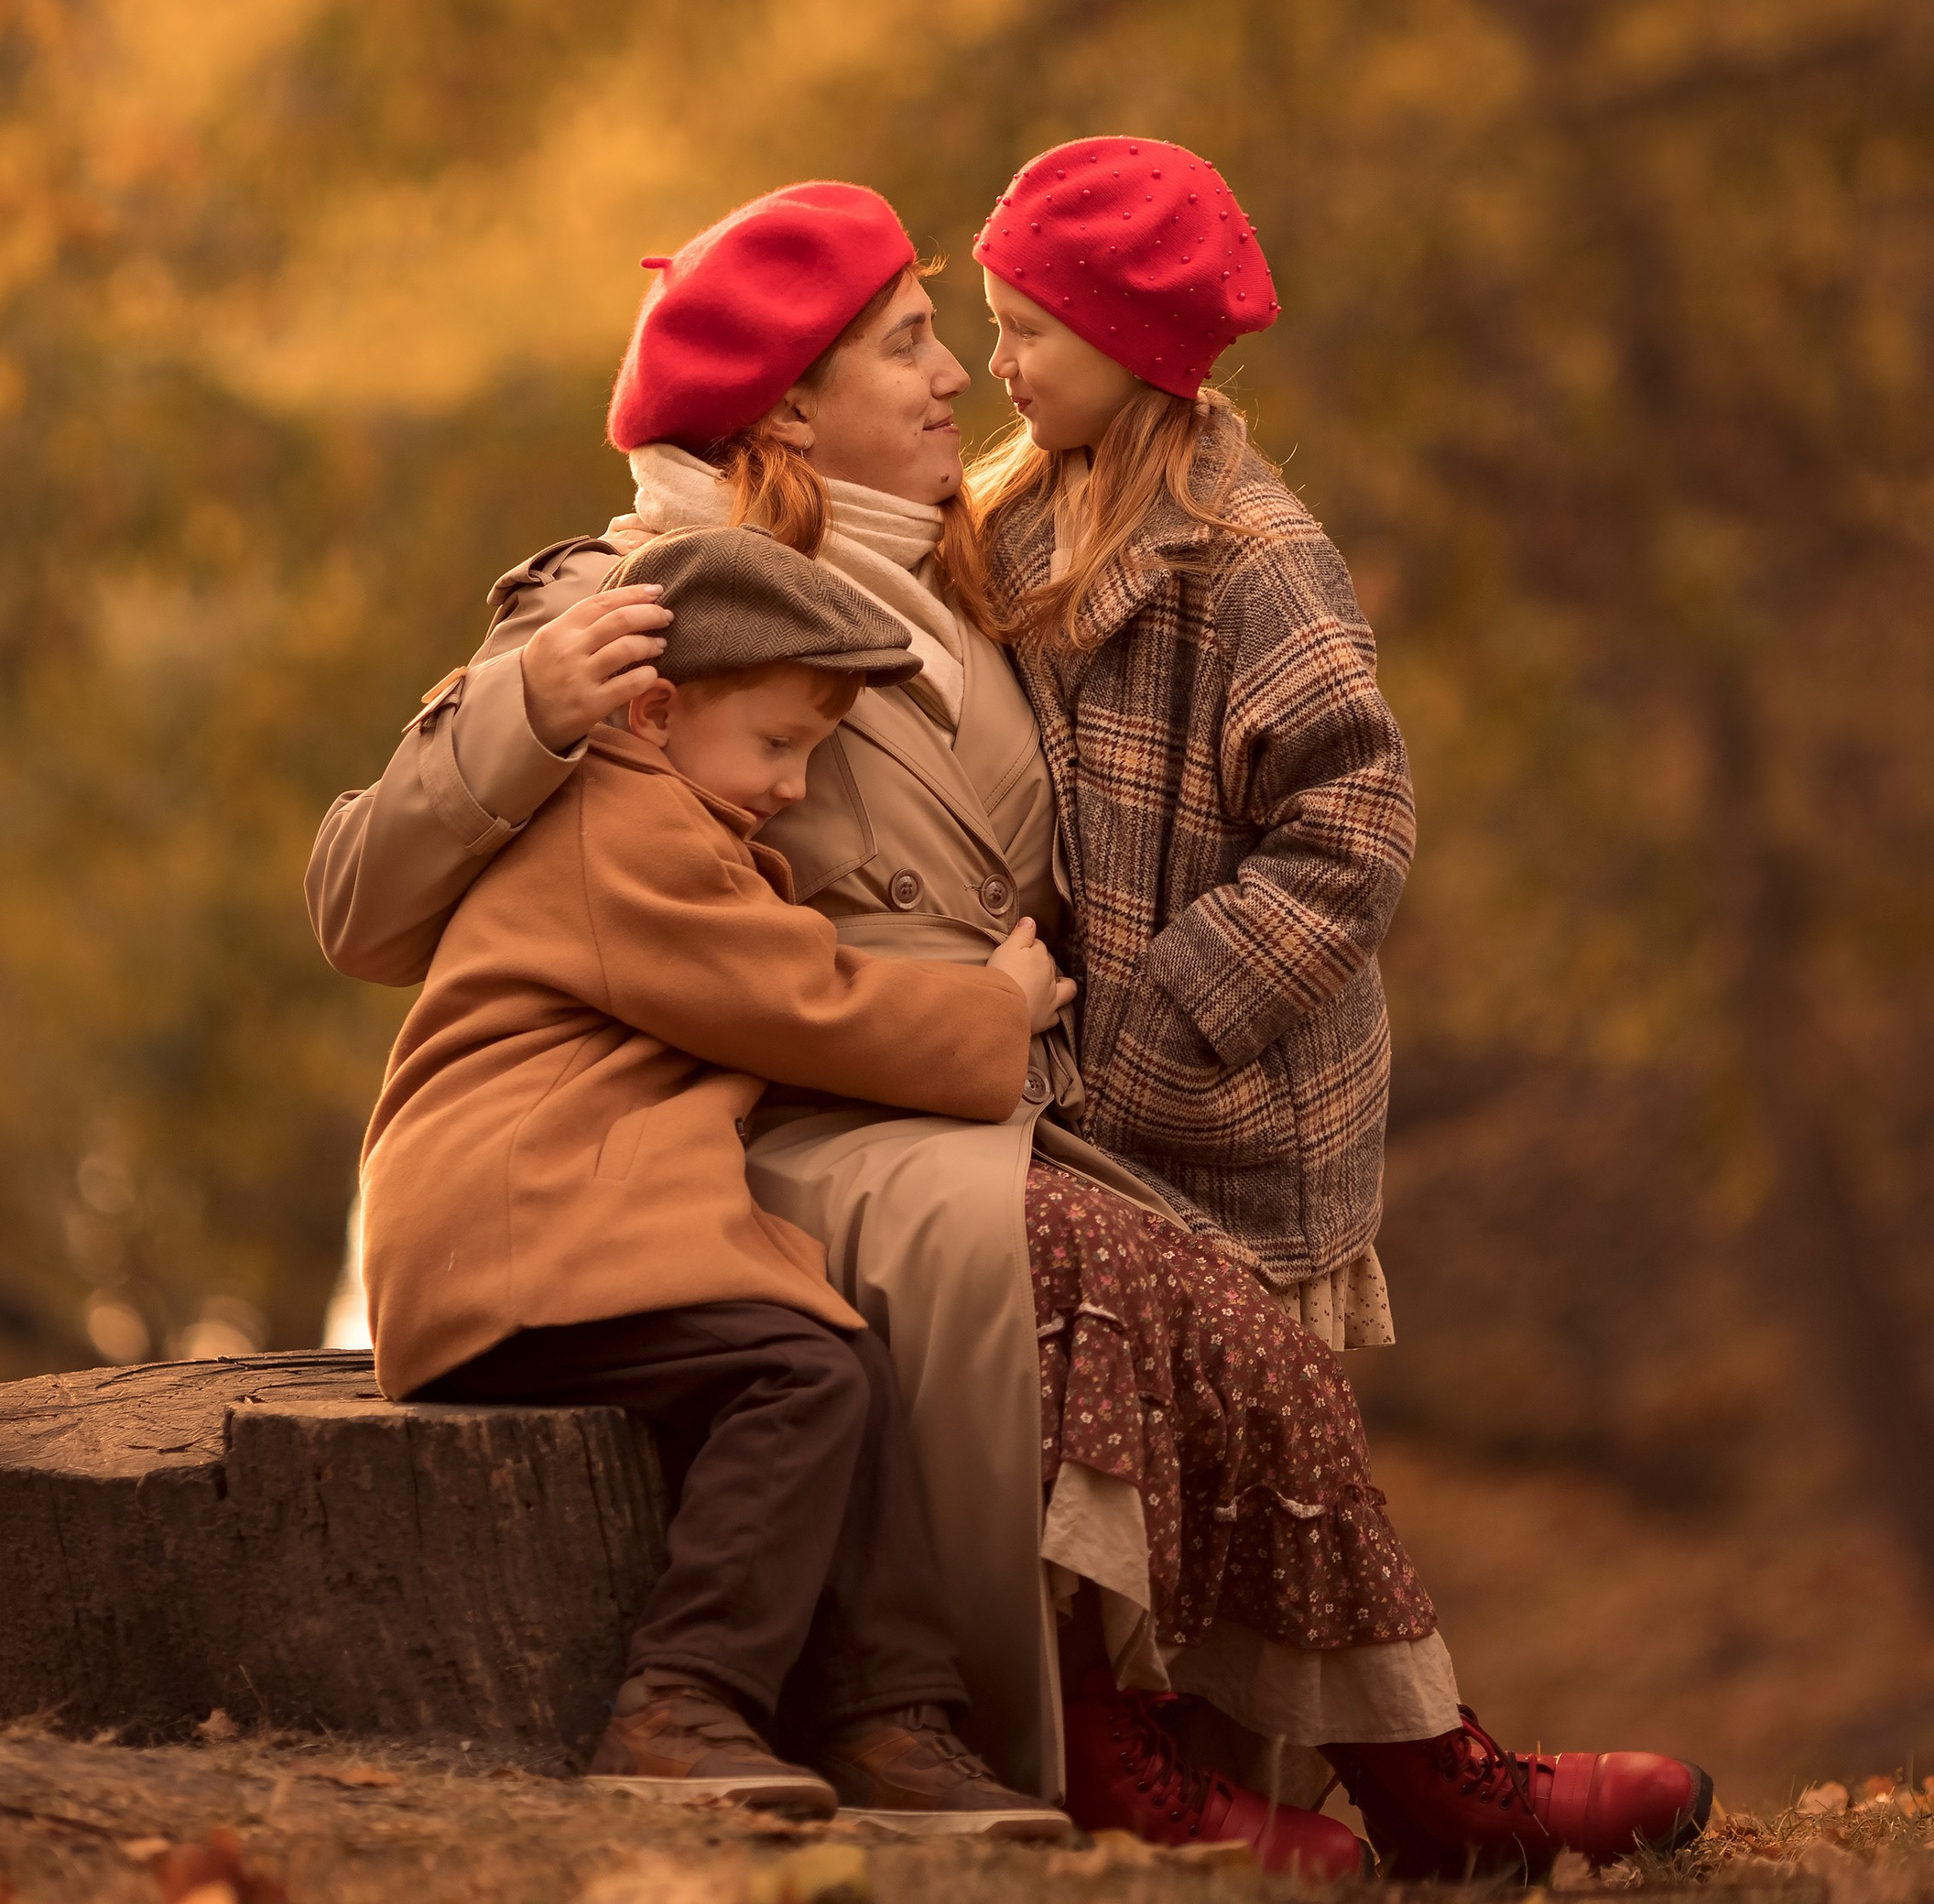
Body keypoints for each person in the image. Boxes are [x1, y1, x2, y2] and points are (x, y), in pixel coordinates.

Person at [310, 176, 1711, 1880]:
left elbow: (1202, 612)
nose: (957, 375)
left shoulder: (968, 568)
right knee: (1097, 1277)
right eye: (908, 346)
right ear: (792, 408)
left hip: (986, 1097)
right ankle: (1145, 1754)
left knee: (1243, 1330)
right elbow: (359, 903)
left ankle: (1410, 1764)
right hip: (765, 1141)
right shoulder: (638, 601)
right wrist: (524, 708)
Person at [360, 516, 1070, 1835]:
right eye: (780, 743)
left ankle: (886, 1714)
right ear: (655, 709)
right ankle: (677, 1696)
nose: (796, 784)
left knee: (839, 1364)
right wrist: (995, 1007)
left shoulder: (666, 819)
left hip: (569, 1221)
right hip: (516, 1229)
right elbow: (807, 1000)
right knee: (802, 1372)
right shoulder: (623, 827)